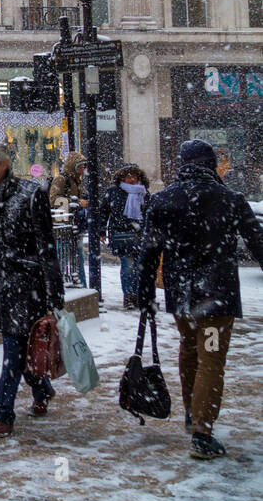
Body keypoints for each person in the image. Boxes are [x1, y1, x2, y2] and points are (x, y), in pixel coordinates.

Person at [136, 139, 263, 459]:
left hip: (182, 296)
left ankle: (193, 411)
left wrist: (145, 293)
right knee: (211, 359)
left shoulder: (163, 200)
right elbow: (258, 244)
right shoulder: (230, 199)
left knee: (189, 349)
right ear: (209, 163)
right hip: (216, 298)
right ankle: (202, 431)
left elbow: (149, 252)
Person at [0, 141, 65, 438]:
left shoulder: (31, 194)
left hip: (27, 285)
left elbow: (47, 248)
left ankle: (2, 413)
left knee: (14, 350)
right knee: (20, 347)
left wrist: (54, 294)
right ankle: (41, 388)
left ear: (4, 163)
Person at [97, 163, 149, 310]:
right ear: (121, 177)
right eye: (128, 176)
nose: (131, 179)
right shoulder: (113, 191)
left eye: (134, 176)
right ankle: (129, 296)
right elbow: (104, 212)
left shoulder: (143, 192)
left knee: (140, 266)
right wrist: (102, 231)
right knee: (128, 265)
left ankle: (138, 295)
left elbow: (148, 213)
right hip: (120, 233)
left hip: (139, 234)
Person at [49, 151, 89, 290]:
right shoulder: (62, 179)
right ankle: (65, 285)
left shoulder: (77, 181)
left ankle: (80, 285)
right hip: (63, 226)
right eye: (80, 166)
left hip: (74, 225)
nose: (82, 169)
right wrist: (77, 202)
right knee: (64, 259)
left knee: (77, 259)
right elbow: (54, 199)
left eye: (83, 167)